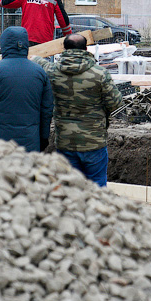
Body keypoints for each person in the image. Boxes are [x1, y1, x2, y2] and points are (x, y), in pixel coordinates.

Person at [32, 33, 123, 187]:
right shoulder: (100, 74)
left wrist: (34, 57)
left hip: (65, 142)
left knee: (68, 188)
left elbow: (39, 62)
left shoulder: (52, 71)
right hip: (94, 142)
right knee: (97, 187)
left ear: (64, 49)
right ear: (86, 49)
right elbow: (115, 103)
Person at [0, 27, 53, 153]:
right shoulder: (39, 72)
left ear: (4, 44)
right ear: (26, 44)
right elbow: (46, 110)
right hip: (30, 142)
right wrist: (43, 137)